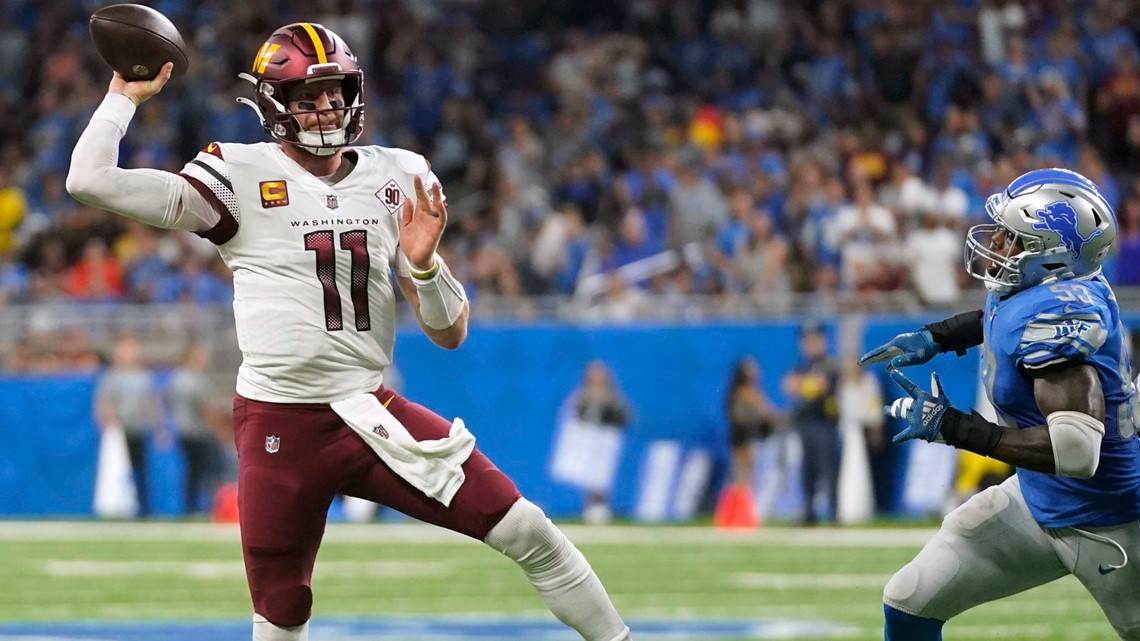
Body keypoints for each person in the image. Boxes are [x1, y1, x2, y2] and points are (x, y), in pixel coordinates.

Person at [67, 23, 632, 641]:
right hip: (278, 419)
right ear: (274, 105)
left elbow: (451, 333)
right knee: (281, 615)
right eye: (309, 97)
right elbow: (89, 181)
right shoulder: (237, 174)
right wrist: (123, 95)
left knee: (525, 527)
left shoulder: (398, 176)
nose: (327, 108)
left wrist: (424, 265)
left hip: (369, 410)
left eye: (336, 93)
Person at [859, 168, 1140, 640]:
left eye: (1013, 238)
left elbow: (1075, 453)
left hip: (1110, 525)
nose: (998, 244)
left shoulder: (1059, 322)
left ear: (1050, 259)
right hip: (1037, 501)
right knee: (909, 600)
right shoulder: (1045, 290)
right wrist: (938, 337)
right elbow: (1002, 320)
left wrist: (955, 427)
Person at [549, 360, 632, 524]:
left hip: (605, 442)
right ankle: (589, 506)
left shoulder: (612, 397)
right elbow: (575, 418)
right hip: (587, 442)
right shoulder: (582, 396)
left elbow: (623, 417)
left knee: (601, 475)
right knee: (588, 474)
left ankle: (601, 506)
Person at [93, 335, 160, 517]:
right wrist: (108, 424)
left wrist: (157, 427)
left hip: (139, 429)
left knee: (141, 470)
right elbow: (104, 403)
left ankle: (143, 508)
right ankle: (117, 507)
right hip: (120, 432)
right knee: (118, 470)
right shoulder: (112, 377)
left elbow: (151, 403)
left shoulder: (144, 376)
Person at [781, 321, 840, 525]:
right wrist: (806, 385)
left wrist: (802, 385)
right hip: (806, 423)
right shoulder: (804, 365)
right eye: (807, 340)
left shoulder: (829, 364)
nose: (810, 344)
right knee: (808, 470)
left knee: (829, 470)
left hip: (826, 423)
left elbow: (819, 387)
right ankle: (809, 513)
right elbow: (788, 385)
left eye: (814, 339)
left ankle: (834, 514)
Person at [167, 342, 223, 516]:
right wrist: (219, 428)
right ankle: (200, 507)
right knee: (203, 471)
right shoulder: (195, 379)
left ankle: (190, 506)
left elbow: (166, 399)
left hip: (182, 429)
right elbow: (204, 408)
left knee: (192, 471)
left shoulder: (177, 377)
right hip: (197, 431)